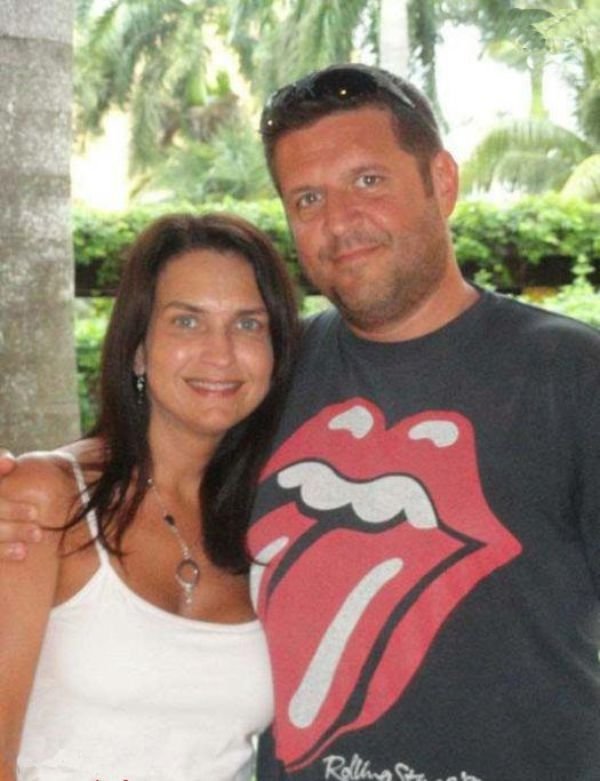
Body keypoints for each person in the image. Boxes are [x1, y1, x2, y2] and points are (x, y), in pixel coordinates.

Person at [2, 63, 600, 780]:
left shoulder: (571, 374)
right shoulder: (275, 372)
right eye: (308, 198)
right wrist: (32, 485)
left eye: (368, 181)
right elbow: (156, 446)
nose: (339, 221)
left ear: (442, 182)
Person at [0, 212, 299, 781]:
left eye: (248, 324)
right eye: (187, 321)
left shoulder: (275, 520)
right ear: (138, 348)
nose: (220, 353)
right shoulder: (45, 500)